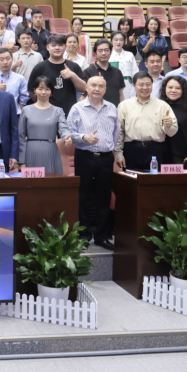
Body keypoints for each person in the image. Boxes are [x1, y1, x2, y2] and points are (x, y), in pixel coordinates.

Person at [66, 75, 120, 249]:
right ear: (87, 88)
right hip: (85, 156)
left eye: (101, 86)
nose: (97, 89)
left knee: (104, 197)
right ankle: (84, 235)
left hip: (105, 157)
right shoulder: (77, 108)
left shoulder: (112, 108)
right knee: (83, 196)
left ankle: (102, 237)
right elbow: (69, 132)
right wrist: (84, 137)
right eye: (93, 85)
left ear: (105, 90)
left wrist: (109, 149)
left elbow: (116, 133)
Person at [114, 72, 178, 171]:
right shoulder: (124, 105)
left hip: (156, 150)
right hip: (131, 150)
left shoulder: (162, 105)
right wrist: (119, 154)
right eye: (141, 85)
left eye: (148, 84)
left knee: (154, 180)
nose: (145, 88)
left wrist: (169, 125)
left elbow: (172, 133)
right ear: (134, 85)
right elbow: (119, 131)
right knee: (132, 179)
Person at [18, 76, 70, 173]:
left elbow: (63, 128)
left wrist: (66, 137)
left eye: (47, 89)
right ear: (34, 90)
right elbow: (21, 136)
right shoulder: (26, 110)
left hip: (51, 151)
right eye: (40, 89)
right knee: (31, 182)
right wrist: (21, 161)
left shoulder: (58, 111)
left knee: (51, 181)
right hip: (31, 152)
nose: (43, 92)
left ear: (51, 91)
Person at [28, 34, 87, 115]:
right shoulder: (39, 68)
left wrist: (73, 76)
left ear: (65, 47)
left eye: (60, 45)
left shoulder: (74, 67)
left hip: (69, 113)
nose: (57, 48)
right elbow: (31, 91)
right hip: (46, 112)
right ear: (47, 47)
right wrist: (41, 104)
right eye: (53, 45)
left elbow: (84, 88)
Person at [83, 39, 126, 107]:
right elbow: (84, 94)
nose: (103, 53)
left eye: (106, 50)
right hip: (95, 110)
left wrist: (122, 108)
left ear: (111, 51)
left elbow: (120, 93)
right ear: (95, 53)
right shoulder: (88, 72)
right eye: (100, 51)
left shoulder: (117, 71)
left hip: (114, 109)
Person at [109, 31, 139, 98]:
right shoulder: (108, 55)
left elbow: (135, 72)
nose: (118, 42)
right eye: (116, 40)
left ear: (125, 41)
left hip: (128, 85)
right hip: (112, 84)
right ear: (111, 41)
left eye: (121, 40)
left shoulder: (130, 55)